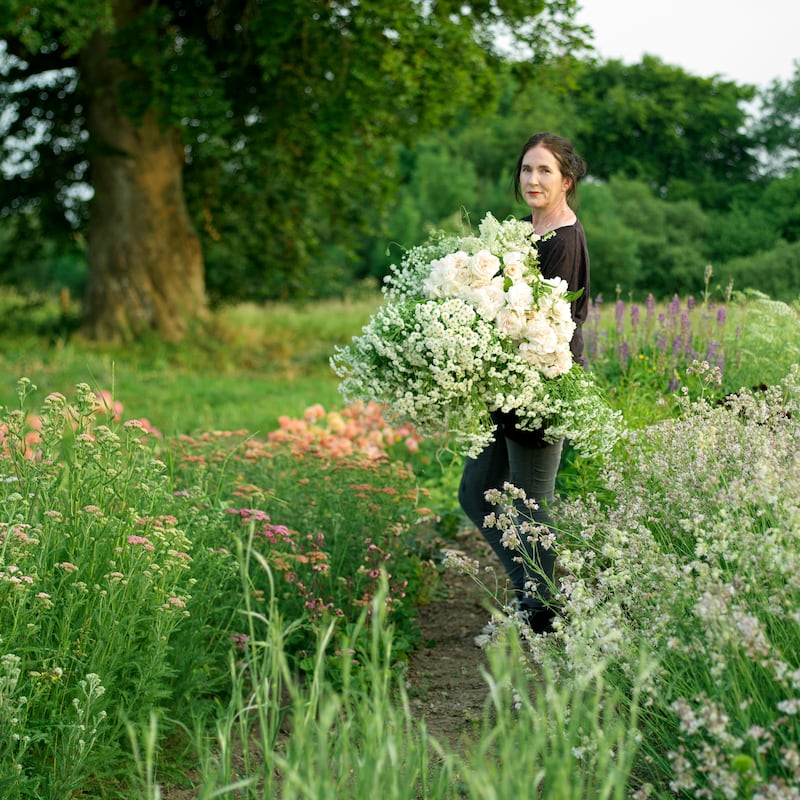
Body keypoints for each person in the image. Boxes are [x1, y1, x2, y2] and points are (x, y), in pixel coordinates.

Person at [458, 132, 590, 635]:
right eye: (526, 170)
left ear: (566, 181)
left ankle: (543, 614)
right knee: (476, 492)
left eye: (544, 172)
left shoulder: (564, 241)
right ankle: (533, 590)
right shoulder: (519, 232)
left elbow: (551, 323)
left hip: (542, 388)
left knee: (532, 505)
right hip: (505, 384)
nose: (532, 180)